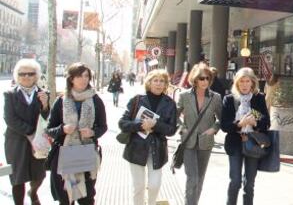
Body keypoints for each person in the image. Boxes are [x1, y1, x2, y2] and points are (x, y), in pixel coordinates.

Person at [47, 62, 107, 205]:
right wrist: (63, 129)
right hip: (64, 152)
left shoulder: (95, 100)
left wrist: (92, 132)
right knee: (66, 197)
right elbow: (49, 129)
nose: (83, 79)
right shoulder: (61, 100)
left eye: (86, 76)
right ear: (71, 79)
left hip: (86, 152)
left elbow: (103, 127)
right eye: (79, 76)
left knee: (86, 198)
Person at [119, 69, 177, 205]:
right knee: (138, 186)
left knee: (154, 185)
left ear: (165, 84)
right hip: (136, 148)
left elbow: (171, 130)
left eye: (162, 81)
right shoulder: (137, 100)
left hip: (157, 148)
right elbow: (123, 123)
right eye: (155, 80)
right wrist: (140, 125)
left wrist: (156, 124)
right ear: (149, 83)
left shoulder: (170, 103)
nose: (158, 84)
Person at [4, 59, 50, 205]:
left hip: (39, 140)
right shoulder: (10, 94)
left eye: (30, 73)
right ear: (17, 75)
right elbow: (9, 118)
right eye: (22, 73)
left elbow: (48, 118)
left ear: (36, 76)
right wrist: (30, 132)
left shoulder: (44, 94)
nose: (26, 77)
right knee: (18, 177)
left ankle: (34, 192)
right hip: (16, 141)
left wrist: (45, 106)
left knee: (39, 174)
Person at [221, 67, 270, 205]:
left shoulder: (258, 98)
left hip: (253, 143)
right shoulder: (229, 99)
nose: (244, 84)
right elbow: (224, 125)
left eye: (247, 81)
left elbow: (267, 122)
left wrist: (255, 122)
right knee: (235, 182)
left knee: (249, 184)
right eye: (241, 81)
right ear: (237, 83)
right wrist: (240, 123)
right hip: (235, 143)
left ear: (252, 83)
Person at [177, 63, 222, 205]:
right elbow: (174, 117)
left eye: (208, 78)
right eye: (202, 78)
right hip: (188, 141)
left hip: (206, 142)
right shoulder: (184, 96)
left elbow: (222, 119)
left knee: (200, 179)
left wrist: (214, 129)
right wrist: (182, 128)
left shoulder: (215, 97)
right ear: (195, 79)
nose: (205, 81)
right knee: (193, 178)